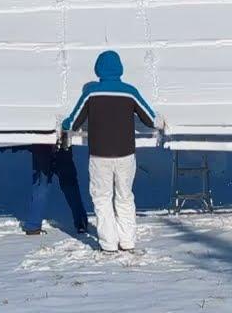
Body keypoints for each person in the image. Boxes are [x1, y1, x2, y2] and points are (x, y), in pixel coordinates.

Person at [61, 50, 159, 253]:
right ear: (120, 68)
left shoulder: (91, 93)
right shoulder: (129, 91)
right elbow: (150, 119)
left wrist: (64, 123)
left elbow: (73, 121)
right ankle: (128, 241)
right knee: (124, 196)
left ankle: (108, 243)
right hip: (126, 155)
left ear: (98, 69)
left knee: (102, 198)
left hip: (99, 156)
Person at [21, 143, 89, 236]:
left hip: (41, 145)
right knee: (70, 185)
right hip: (62, 144)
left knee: (41, 185)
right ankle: (81, 223)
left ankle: (33, 225)